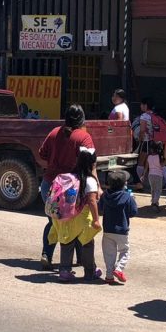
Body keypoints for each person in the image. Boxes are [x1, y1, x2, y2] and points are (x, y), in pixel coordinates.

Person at [36, 105, 94, 270]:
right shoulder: (84, 137)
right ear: (82, 119)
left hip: (50, 185)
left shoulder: (54, 132)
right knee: (75, 221)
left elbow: (42, 153)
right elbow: (90, 163)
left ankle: (46, 254)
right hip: (72, 189)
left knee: (53, 222)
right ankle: (77, 260)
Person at [49, 147, 103, 281]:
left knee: (67, 242)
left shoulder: (69, 177)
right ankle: (90, 272)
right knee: (87, 243)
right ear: (92, 164)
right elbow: (91, 201)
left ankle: (64, 271)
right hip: (82, 218)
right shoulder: (89, 180)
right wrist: (96, 219)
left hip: (65, 216)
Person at [99, 169, 138, 284]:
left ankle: (109, 275)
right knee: (125, 251)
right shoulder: (127, 197)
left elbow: (100, 208)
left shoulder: (105, 195)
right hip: (122, 230)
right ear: (124, 184)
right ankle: (119, 269)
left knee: (109, 254)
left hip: (107, 229)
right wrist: (132, 200)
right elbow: (133, 212)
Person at [142, 140, 166, 211]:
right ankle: (155, 203)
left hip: (150, 175)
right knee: (158, 190)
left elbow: (146, 167)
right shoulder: (159, 157)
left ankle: (153, 202)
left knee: (153, 189)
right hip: (158, 175)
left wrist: (143, 175)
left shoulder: (149, 157)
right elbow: (162, 165)